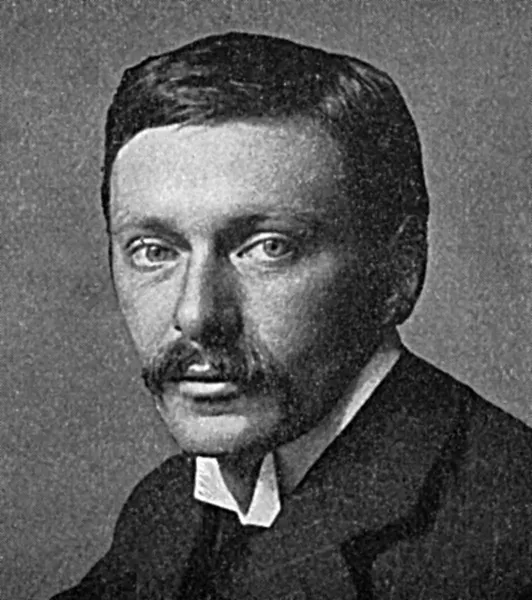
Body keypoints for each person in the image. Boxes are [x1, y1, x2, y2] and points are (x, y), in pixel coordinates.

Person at [51, 31, 532, 599]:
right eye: (154, 251)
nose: (197, 315)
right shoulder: (169, 507)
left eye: (268, 247)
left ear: (400, 270)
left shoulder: (509, 535)